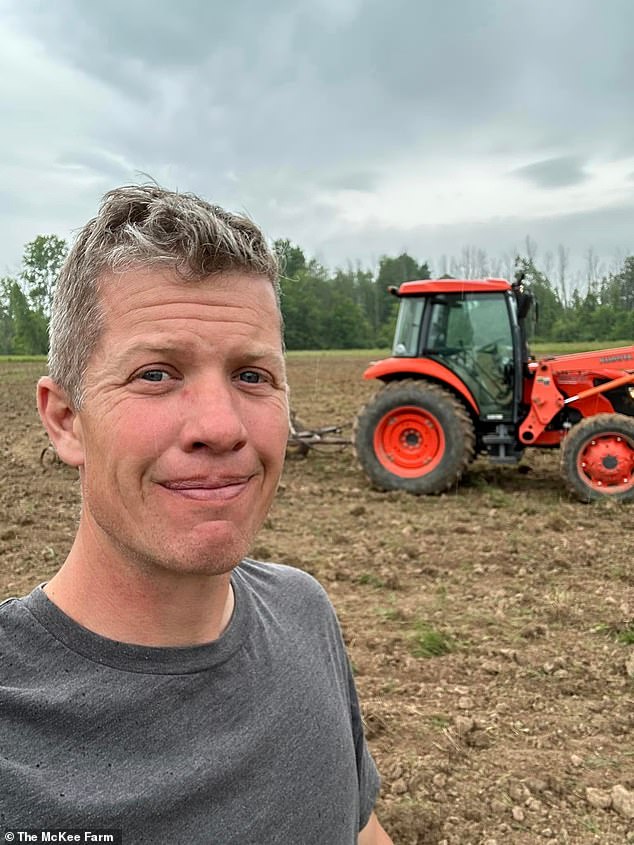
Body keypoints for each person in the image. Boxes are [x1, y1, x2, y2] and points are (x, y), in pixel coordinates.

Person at [0, 186, 393, 844]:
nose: (220, 426)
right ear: (66, 420)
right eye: (156, 374)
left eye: (253, 376)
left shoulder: (306, 614)